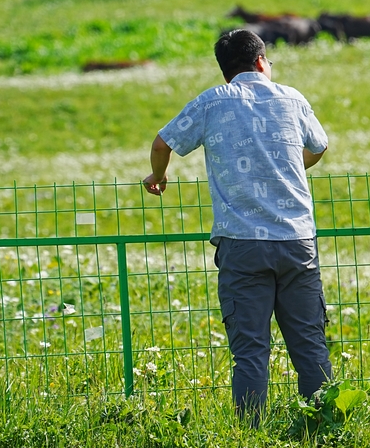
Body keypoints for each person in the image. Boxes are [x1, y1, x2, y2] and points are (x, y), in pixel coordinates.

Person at [142, 29, 332, 424]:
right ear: (262, 61)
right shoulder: (292, 98)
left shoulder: (212, 102)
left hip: (241, 242)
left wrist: (157, 177)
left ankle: (251, 431)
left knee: (250, 350)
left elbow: (162, 143)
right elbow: (319, 145)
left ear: (226, 71)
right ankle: (324, 425)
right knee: (310, 346)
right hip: (297, 240)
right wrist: (294, 166)